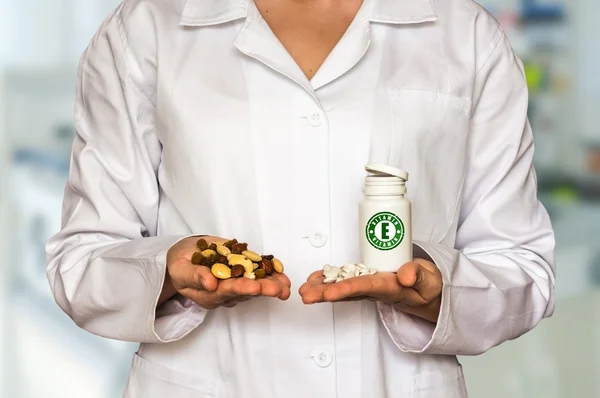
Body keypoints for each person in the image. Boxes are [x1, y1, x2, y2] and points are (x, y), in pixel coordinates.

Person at [46, 0, 556, 396]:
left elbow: (523, 268)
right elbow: (81, 262)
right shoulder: (147, 28)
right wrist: (167, 271)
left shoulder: (463, 33)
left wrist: (436, 286)